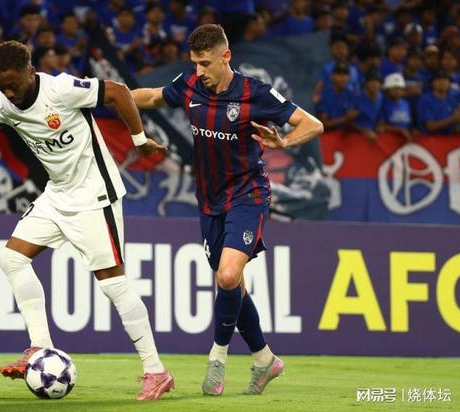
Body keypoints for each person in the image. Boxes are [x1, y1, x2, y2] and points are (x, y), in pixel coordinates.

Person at [0, 40, 174, 401]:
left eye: (13, 84)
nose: (8, 92)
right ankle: (40, 347)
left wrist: (139, 141)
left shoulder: (61, 89)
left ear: (30, 72)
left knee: (113, 284)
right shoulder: (4, 101)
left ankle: (156, 371)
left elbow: (118, 92)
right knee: (12, 258)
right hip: (57, 194)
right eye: (1, 85)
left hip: (94, 195)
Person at [130, 24, 323, 396]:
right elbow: (152, 96)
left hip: (247, 194)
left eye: (205, 63)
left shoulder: (255, 93)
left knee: (228, 275)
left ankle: (217, 358)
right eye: (195, 63)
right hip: (209, 200)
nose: (199, 71)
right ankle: (265, 360)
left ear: (226, 56)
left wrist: (284, 141)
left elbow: (313, 125)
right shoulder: (189, 85)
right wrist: (108, 95)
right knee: (232, 283)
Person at [378, 73, 413, 140]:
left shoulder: (406, 104)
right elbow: (380, 126)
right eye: (394, 89)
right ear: (387, 90)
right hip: (388, 140)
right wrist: (399, 130)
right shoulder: (383, 104)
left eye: (400, 89)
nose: (397, 91)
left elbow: (408, 124)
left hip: (404, 140)